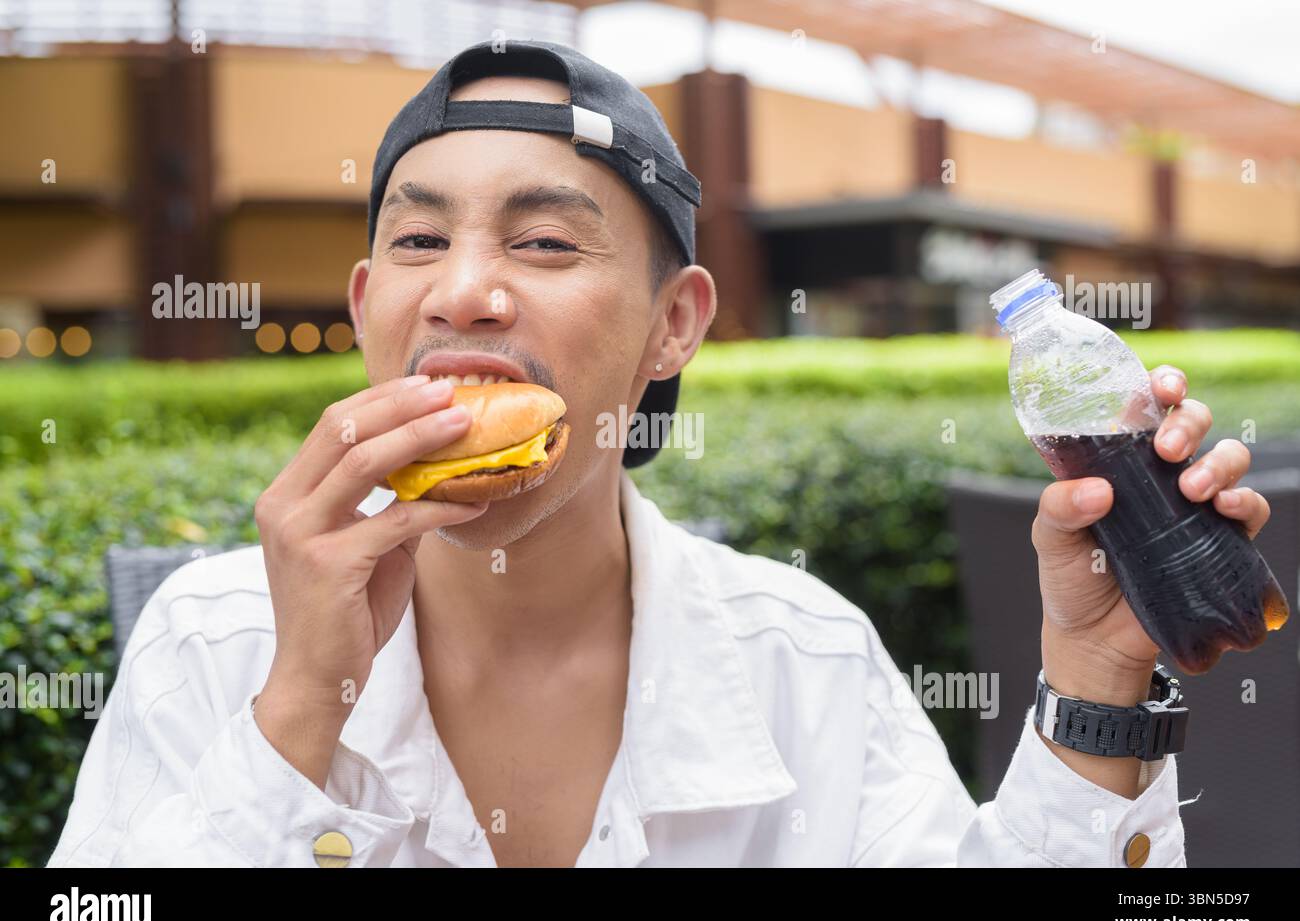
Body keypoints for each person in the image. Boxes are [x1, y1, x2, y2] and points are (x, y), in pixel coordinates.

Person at [48, 40, 1272, 868]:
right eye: (419, 241)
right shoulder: (216, 642)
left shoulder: (803, 659)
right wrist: (298, 711)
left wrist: (1097, 680)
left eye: (542, 244)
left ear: (673, 324)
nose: (462, 292)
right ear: (367, 302)